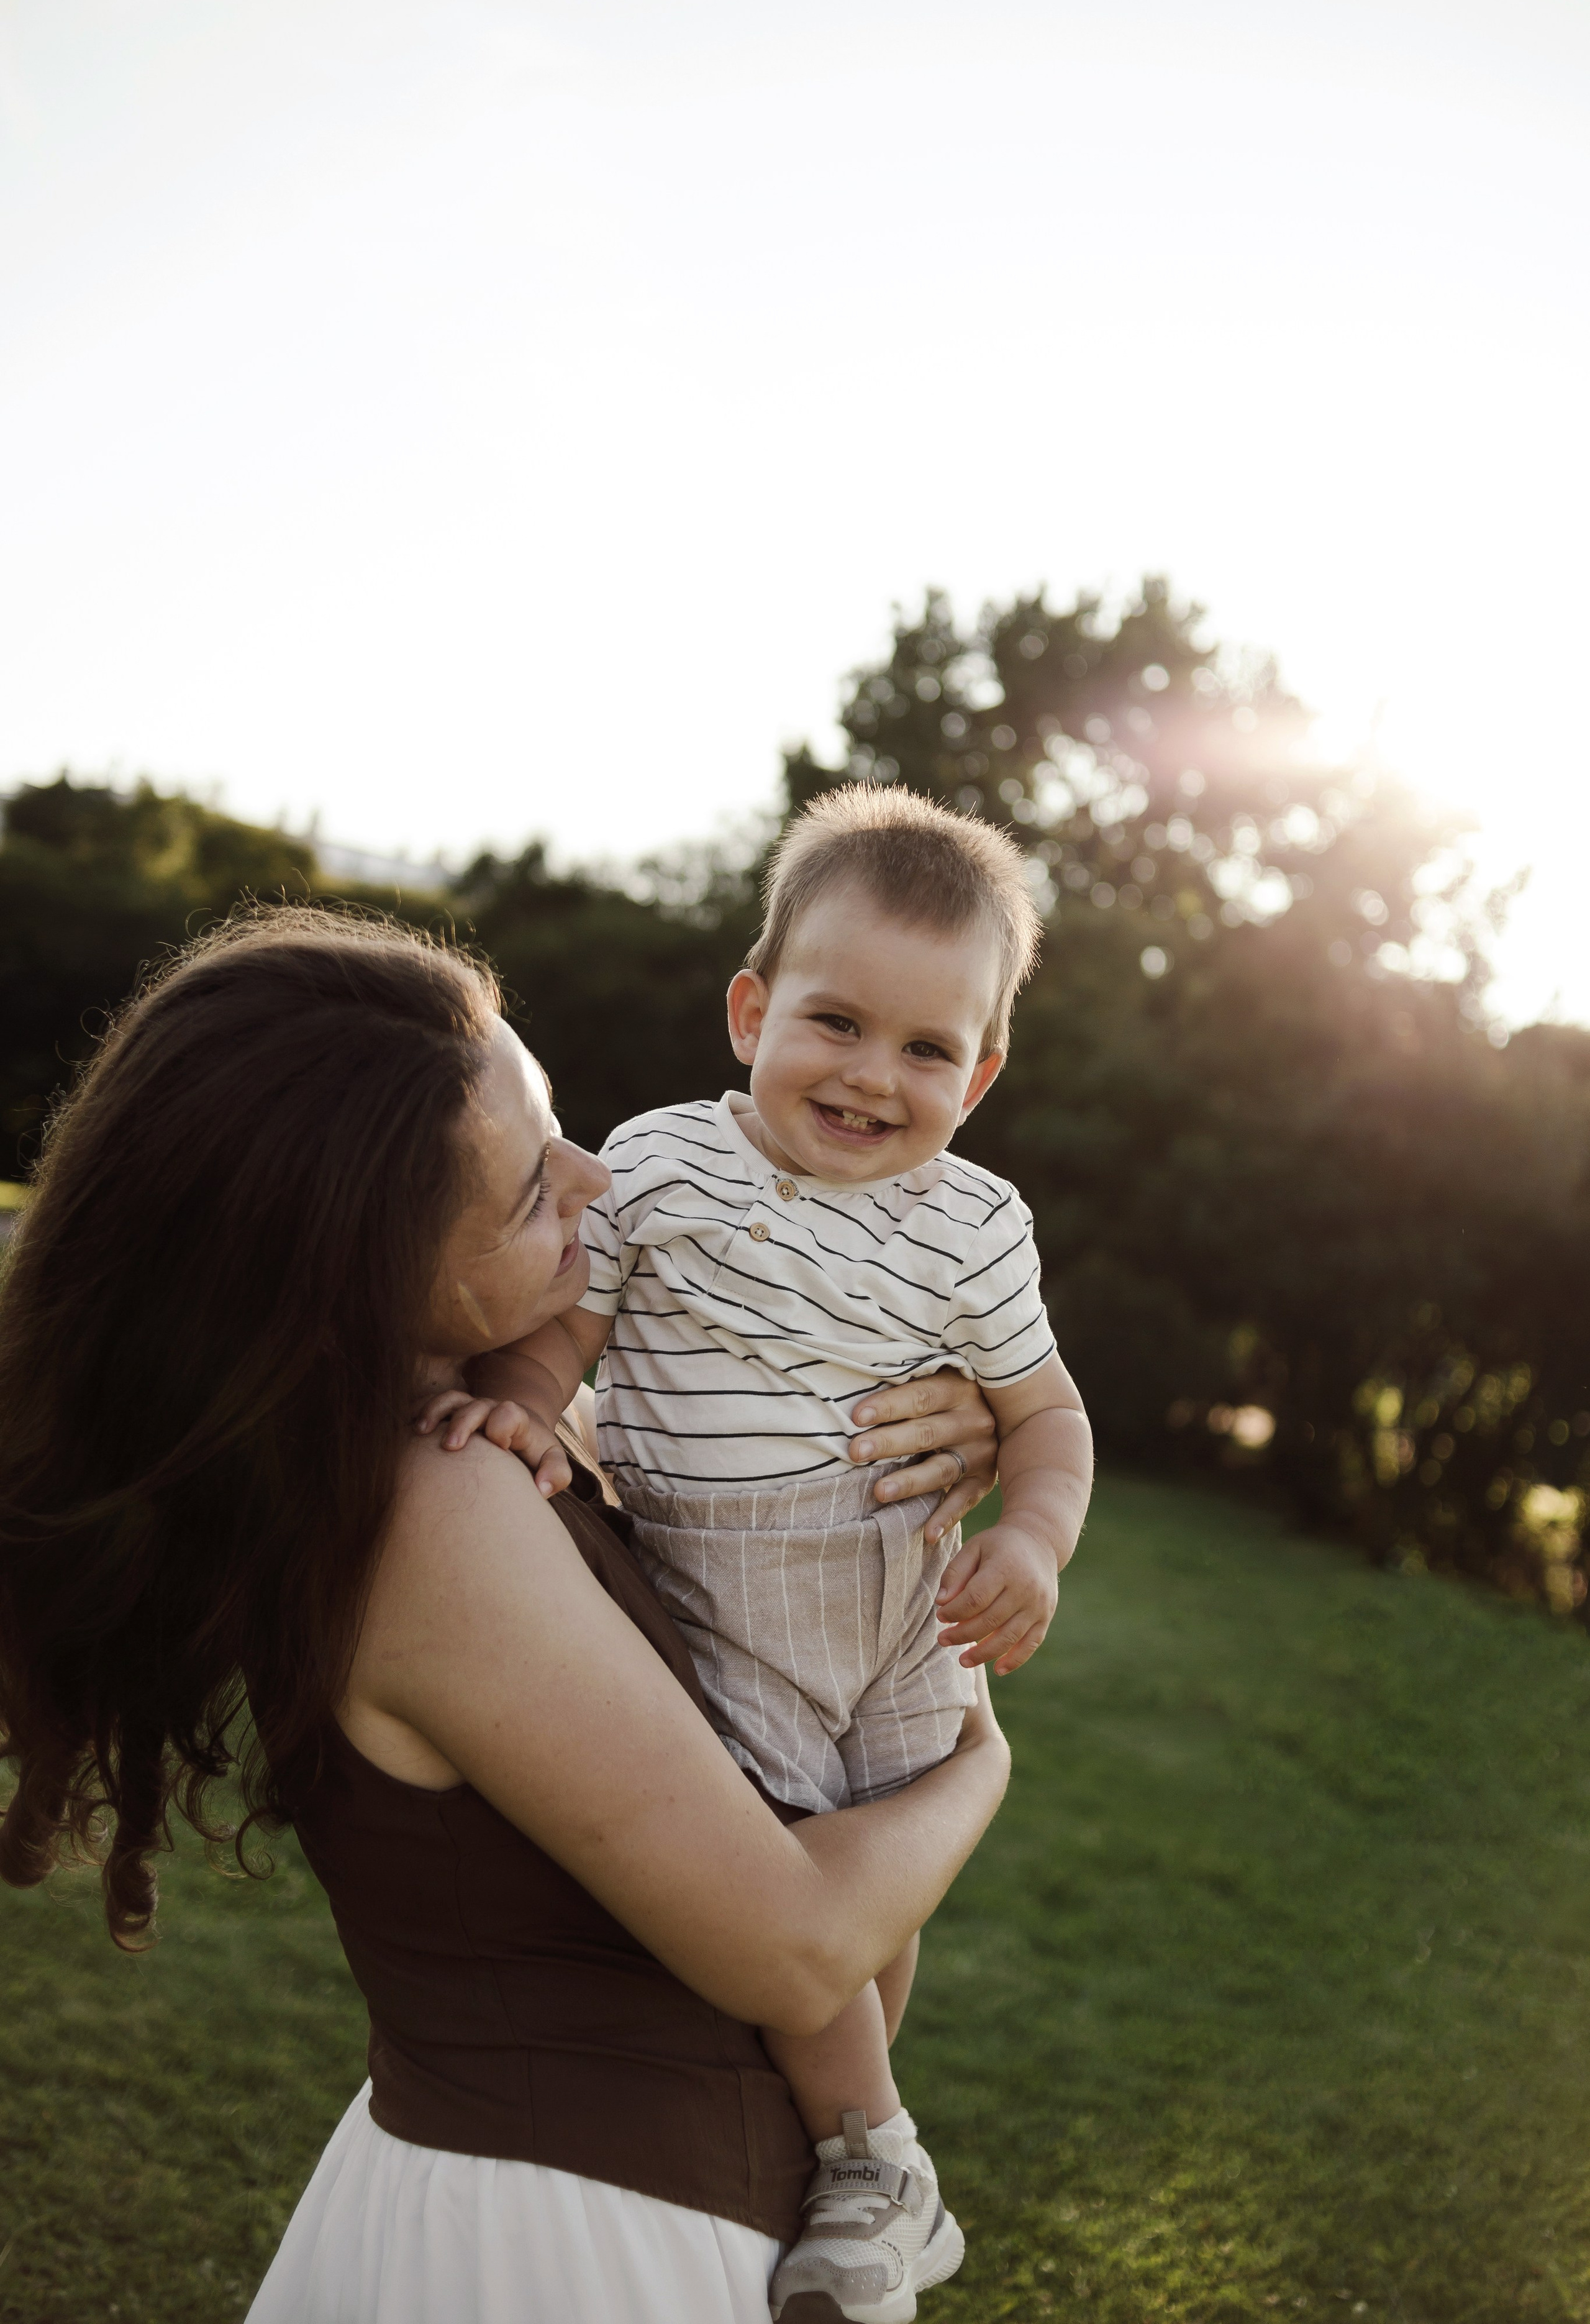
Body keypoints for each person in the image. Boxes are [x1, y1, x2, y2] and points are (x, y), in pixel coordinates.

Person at [0, 907, 1009, 2324]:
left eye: (558, 1128)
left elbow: (743, 1469)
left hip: (565, 2208)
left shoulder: (475, 1440)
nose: (596, 1179)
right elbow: (792, 1943)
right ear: (365, 1270)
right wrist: (981, 1758)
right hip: (567, 2257)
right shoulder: (437, 1508)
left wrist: (943, 1426)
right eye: (534, 1187)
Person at [425, 785, 1093, 2321]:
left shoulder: (976, 1229)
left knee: (880, 1891)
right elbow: (564, 1333)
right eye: (836, 1022)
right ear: (749, 1011)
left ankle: (859, 2151)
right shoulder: (662, 1166)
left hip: (901, 1595)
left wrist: (1037, 1544)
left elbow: (1043, 1415)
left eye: (928, 1050)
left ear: (980, 1073)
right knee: (798, 1887)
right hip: (726, 1595)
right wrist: (526, 1413)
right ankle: (875, 2153)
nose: (873, 1076)